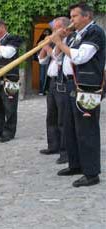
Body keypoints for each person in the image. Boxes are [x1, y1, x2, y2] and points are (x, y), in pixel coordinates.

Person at [51, 2, 105, 187]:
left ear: (87, 16)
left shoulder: (95, 32)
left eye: (74, 16)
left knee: (86, 130)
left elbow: (81, 57)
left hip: (86, 87)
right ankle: (75, 164)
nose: (71, 20)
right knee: (70, 127)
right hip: (70, 84)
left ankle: (91, 173)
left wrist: (59, 42)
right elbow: (60, 57)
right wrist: (61, 41)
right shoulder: (76, 35)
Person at [37, 17, 71, 164]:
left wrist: (50, 48)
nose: (53, 31)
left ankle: (66, 152)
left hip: (63, 83)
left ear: (64, 28)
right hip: (52, 83)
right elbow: (42, 61)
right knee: (51, 117)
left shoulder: (69, 41)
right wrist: (43, 49)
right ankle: (53, 146)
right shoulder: (55, 40)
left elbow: (59, 58)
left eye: (56, 28)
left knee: (63, 119)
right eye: (53, 28)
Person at [36, 28, 52, 95]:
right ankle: (41, 90)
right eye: (45, 32)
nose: (46, 34)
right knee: (42, 75)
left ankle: (47, 90)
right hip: (43, 58)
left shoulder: (52, 40)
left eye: (48, 32)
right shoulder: (40, 41)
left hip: (50, 58)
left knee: (49, 75)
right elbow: (37, 48)